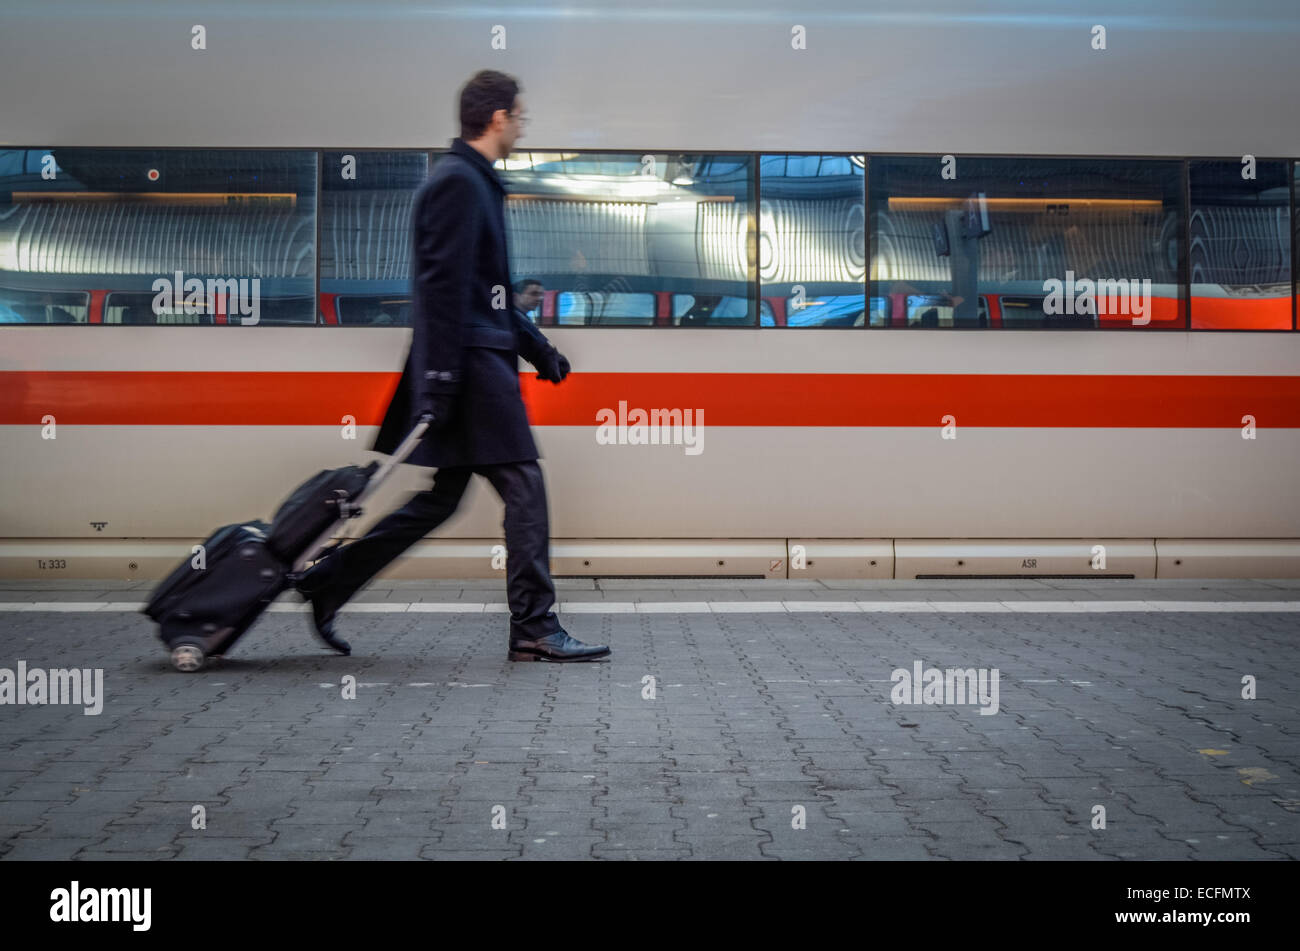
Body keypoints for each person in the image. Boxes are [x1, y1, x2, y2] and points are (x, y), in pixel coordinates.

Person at [295, 69, 610, 664]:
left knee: (441, 500)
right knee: (525, 489)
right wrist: (439, 381)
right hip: (468, 374)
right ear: (497, 118)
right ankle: (535, 627)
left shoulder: (473, 182)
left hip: (470, 368)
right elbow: (439, 290)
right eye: (519, 117)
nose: (521, 126)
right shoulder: (459, 184)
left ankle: (327, 582)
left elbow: (485, 291)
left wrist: (540, 351)